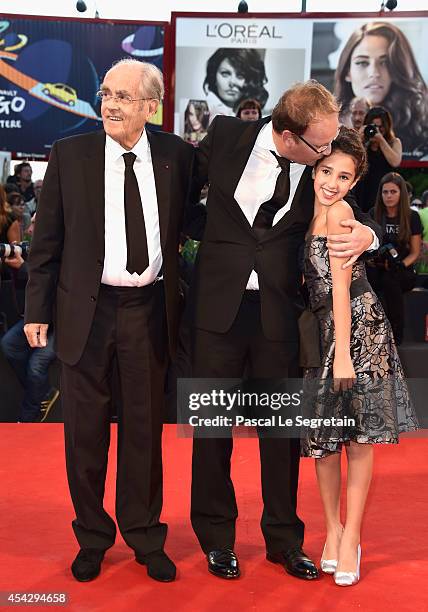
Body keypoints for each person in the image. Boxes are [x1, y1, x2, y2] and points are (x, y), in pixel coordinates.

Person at [189, 80, 382, 580]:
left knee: (279, 433)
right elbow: (182, 195)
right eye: (319, 146)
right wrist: (212, 242)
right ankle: (217, 537)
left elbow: (350, 210)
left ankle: (284, 540)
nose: (327, 154)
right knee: (212, 431)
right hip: (217, 312)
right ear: (288, 134)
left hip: (278, 315)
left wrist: (371, 232)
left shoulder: (317, 163)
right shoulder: (228, 134)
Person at [24, 59, 194, 583]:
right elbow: (45, 240)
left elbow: (204, 216)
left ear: (151, 106)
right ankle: (93, 538)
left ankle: (144, 536)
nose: (110, 104)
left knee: (144, 435)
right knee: (85, 437)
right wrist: (36, 310)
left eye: (123, 96)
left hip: (148, 314)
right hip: (85, 315)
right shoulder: (69, 154)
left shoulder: (178, 156)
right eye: (105, 93)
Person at [300, 127, 419, 586]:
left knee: (357, 439)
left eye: (343, 176)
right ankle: (332, 530)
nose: (332, 181)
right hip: (321, 334)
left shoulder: (342, 213)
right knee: (324, 444)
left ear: (354, 183)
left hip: (357, 332)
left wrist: (344, 355)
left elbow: (345, 289)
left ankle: (351, 539)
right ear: (314, 167)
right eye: (327, 170)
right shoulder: (304, 210)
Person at [333, 21, 428, 157]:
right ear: (347, 72)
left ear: (397, 68)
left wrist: (381, 140)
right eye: (362, 62)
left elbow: (395, 162)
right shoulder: (332, 128)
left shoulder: (418, 130)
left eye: (385, 62)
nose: (374, 73)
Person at [366, 172, 422, 345]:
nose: (388, 196)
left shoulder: (412, 216)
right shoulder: (374, 213)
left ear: (401, 194)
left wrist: (400, 265)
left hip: (403, 269)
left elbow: (415, 252)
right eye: (385, 192)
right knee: (369, 280)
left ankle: (396, 334)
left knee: (391, 281)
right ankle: (368, 332)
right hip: (378, 267)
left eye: (393, 192)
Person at [354, 106, 402, 213]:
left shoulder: (394, 142)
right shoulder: (362, 142)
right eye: (374, 127)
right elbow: (351, 161)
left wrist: (381, 140)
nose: (377, 130)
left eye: (381, 127)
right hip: (362, 193)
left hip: (384, 194)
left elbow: (395, 162)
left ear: (387, 126)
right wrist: (359, 139)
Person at [203, 48, 268, 122]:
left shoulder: (257, 113)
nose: (232, 82)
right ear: (213, 76)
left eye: (240, 75)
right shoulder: (203, 111)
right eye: (225, 74)